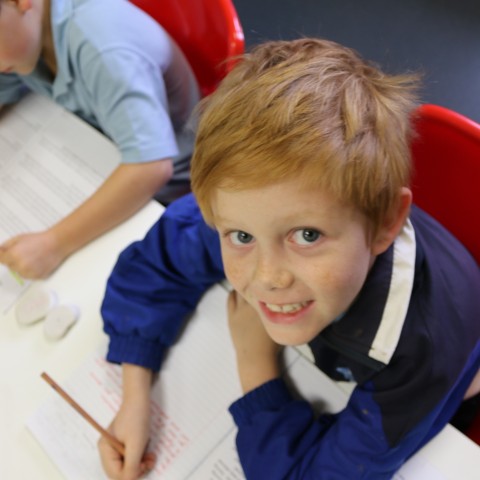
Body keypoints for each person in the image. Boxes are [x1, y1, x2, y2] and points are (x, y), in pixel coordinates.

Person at [98, 38, 480, 479]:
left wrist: (254, 364)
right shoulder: (256, 208)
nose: (267, 277)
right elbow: (153, 267)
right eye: (240, 236)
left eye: (307, 235)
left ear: (385, 222)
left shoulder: (419, 351)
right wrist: (135, 395)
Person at [0, 0, 200, 279]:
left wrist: (53, 244)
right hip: (101, 155)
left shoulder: (104, 48)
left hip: (170, 191)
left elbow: (152, 166)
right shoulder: (20, 42)